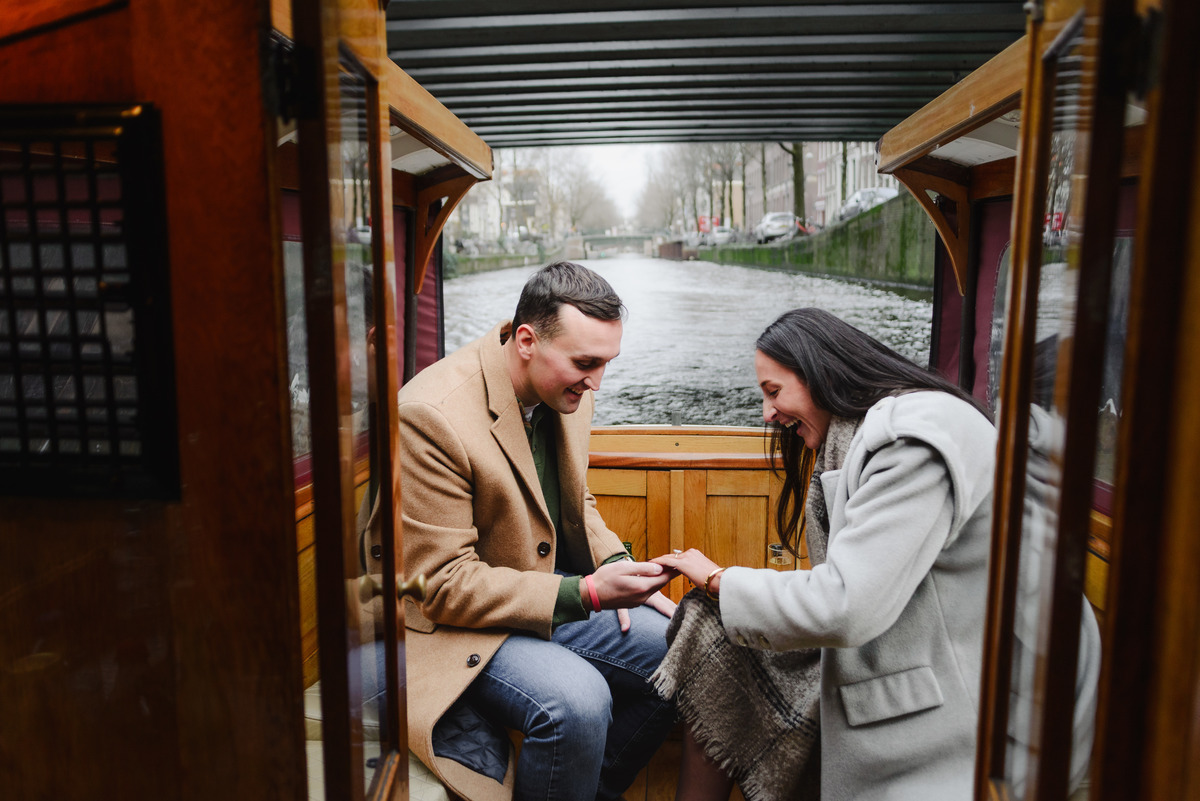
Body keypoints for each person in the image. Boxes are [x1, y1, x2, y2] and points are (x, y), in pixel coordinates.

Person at [653, 307, 1002, 800]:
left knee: (720, 632)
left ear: (820, 371)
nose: (767, 414)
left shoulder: (911, 441)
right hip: (918, 647)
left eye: (773, 392)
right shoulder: (875, 433)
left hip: (965, 694)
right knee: (718, 636)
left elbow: (847, 604)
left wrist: (718, 580)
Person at [398, 261, 677, 801]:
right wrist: (588, 592)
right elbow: (441, 586)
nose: (597, 382)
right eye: (586, 363)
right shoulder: (431, 415)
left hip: (538, 589)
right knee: (578, 702)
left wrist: (614, 561)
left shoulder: (565, 388)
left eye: (607, 363)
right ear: (526, 340)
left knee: (681, 654)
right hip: (451, 625)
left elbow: (576, 500)